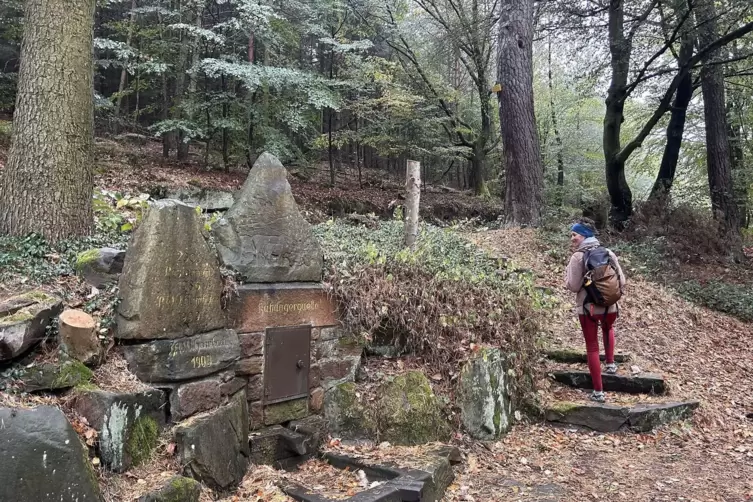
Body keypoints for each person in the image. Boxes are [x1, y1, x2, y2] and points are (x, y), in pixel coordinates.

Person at [565, 221, 626, 403]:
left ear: (583, 235)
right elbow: (622, 281)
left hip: (587, 308)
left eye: (574, 235)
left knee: (592, 346)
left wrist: (566, 278)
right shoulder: (608, 253)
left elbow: (574, 286)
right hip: (610, 306)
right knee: (608, 329)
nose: (572, 238)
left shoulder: (578, 257)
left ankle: (598, 392)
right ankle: (610, 364)